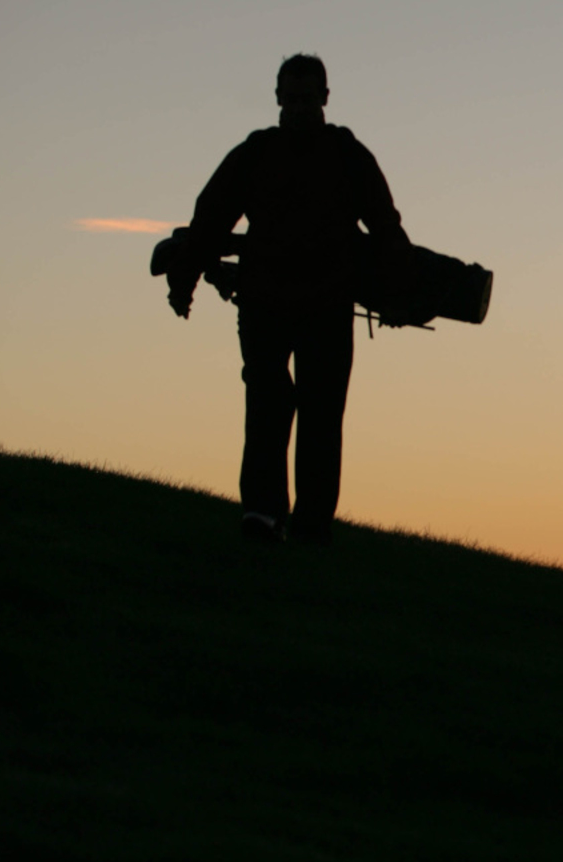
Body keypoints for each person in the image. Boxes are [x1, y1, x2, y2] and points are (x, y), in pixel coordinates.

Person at [167, 54, 408, 544]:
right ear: (278, 98)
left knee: (321, 415)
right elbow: (210, 221)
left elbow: (385, 227)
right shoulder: (255, 153)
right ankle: (262, 514)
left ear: (325, 97)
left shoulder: (347, 154)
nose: (299, 107)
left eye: (307, 98)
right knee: (267, 406)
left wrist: (399, 291)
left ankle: (312, 525)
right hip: (264, 304)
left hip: (328, 306)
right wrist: (183, 279)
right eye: (291, 98)